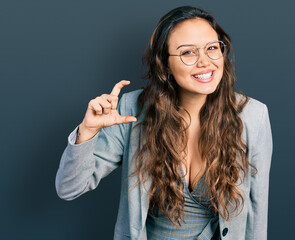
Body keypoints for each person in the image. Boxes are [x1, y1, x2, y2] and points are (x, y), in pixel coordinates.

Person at [55, 5, 273, 240]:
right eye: (188, 52)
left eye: (212, 48)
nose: (205, 62)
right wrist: (87, 131)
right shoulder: (130, 109)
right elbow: (69, 188)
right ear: (165, 64)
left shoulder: (253, 116)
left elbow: (256, 209)